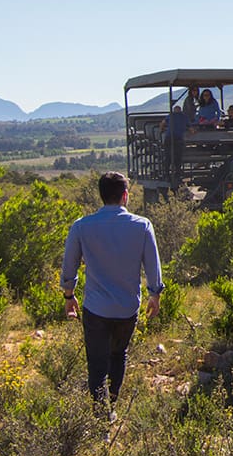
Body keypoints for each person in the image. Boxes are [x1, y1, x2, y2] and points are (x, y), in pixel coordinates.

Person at [61, 172, 164, 414]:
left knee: (96, 364)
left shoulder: (81, 226)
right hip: (127, 307)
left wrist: (69, 296)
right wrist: (154, 295)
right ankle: (112, 407)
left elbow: (69, 265)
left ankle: (101, 418)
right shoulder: (142, 225)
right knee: (118, 355)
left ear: (101, 195)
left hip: (95, 308)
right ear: (125, 196)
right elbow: (153, 265)